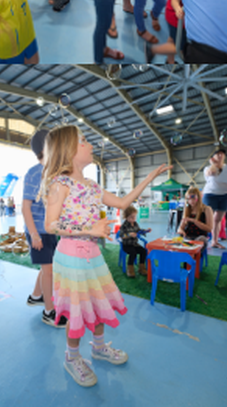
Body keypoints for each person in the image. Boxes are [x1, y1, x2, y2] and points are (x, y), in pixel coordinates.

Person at [40, 125, 170, 387]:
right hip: (71, 256)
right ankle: (72, 356)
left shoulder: (91, 185)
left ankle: (98, 347)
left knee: (98, 303)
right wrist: (89, 229)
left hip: (92, 255)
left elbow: (123, 203)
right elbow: (50, 225)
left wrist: (149, 178)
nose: (90, 144)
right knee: (76, 310)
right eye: (84, 140)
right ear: (69, 150)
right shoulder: (60, 184)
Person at [22, 129, 66, 328]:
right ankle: (49, 312)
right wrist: (34, 234)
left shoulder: (54, 173)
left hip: (49, 230)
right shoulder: (34, 173)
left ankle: (36, 295)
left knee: (48, 266)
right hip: (38, 231)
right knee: (49, 270)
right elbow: (25, 207)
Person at [201, 147, 227, 249]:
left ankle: (214, 241)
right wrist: (213, 164)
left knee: (217, 219)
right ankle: (201, 240)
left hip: (225, 195)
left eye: (222, 154)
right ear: (213, 157)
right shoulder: (208, 168)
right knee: (206, 218)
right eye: (217, 154)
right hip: (210, 194)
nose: (220, 155)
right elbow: (209, 173)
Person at [119, 206, 150, 278]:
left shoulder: (135, 223)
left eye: (134, 217)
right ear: (126, 217)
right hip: (126, 245)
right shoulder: (124, 226)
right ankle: (130, 270)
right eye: (131, 217)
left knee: (143, 251)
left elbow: (138, 230)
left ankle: (141, 268)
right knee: (133, 253)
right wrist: (129, 234)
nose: (133, 219)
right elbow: (122, 235)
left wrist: (145, 231)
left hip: (134, 244)